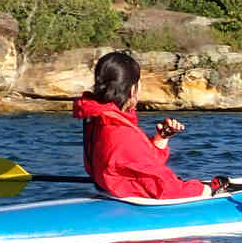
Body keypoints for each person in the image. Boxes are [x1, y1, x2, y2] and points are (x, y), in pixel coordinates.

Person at [72, 51, 216, 200]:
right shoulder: (122, 134)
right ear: (132, 89)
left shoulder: (97, 122)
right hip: (129, 202)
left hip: (111, 193)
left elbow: (137, 167)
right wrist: (209, 189)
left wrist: (160, 140)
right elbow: (168, 191)